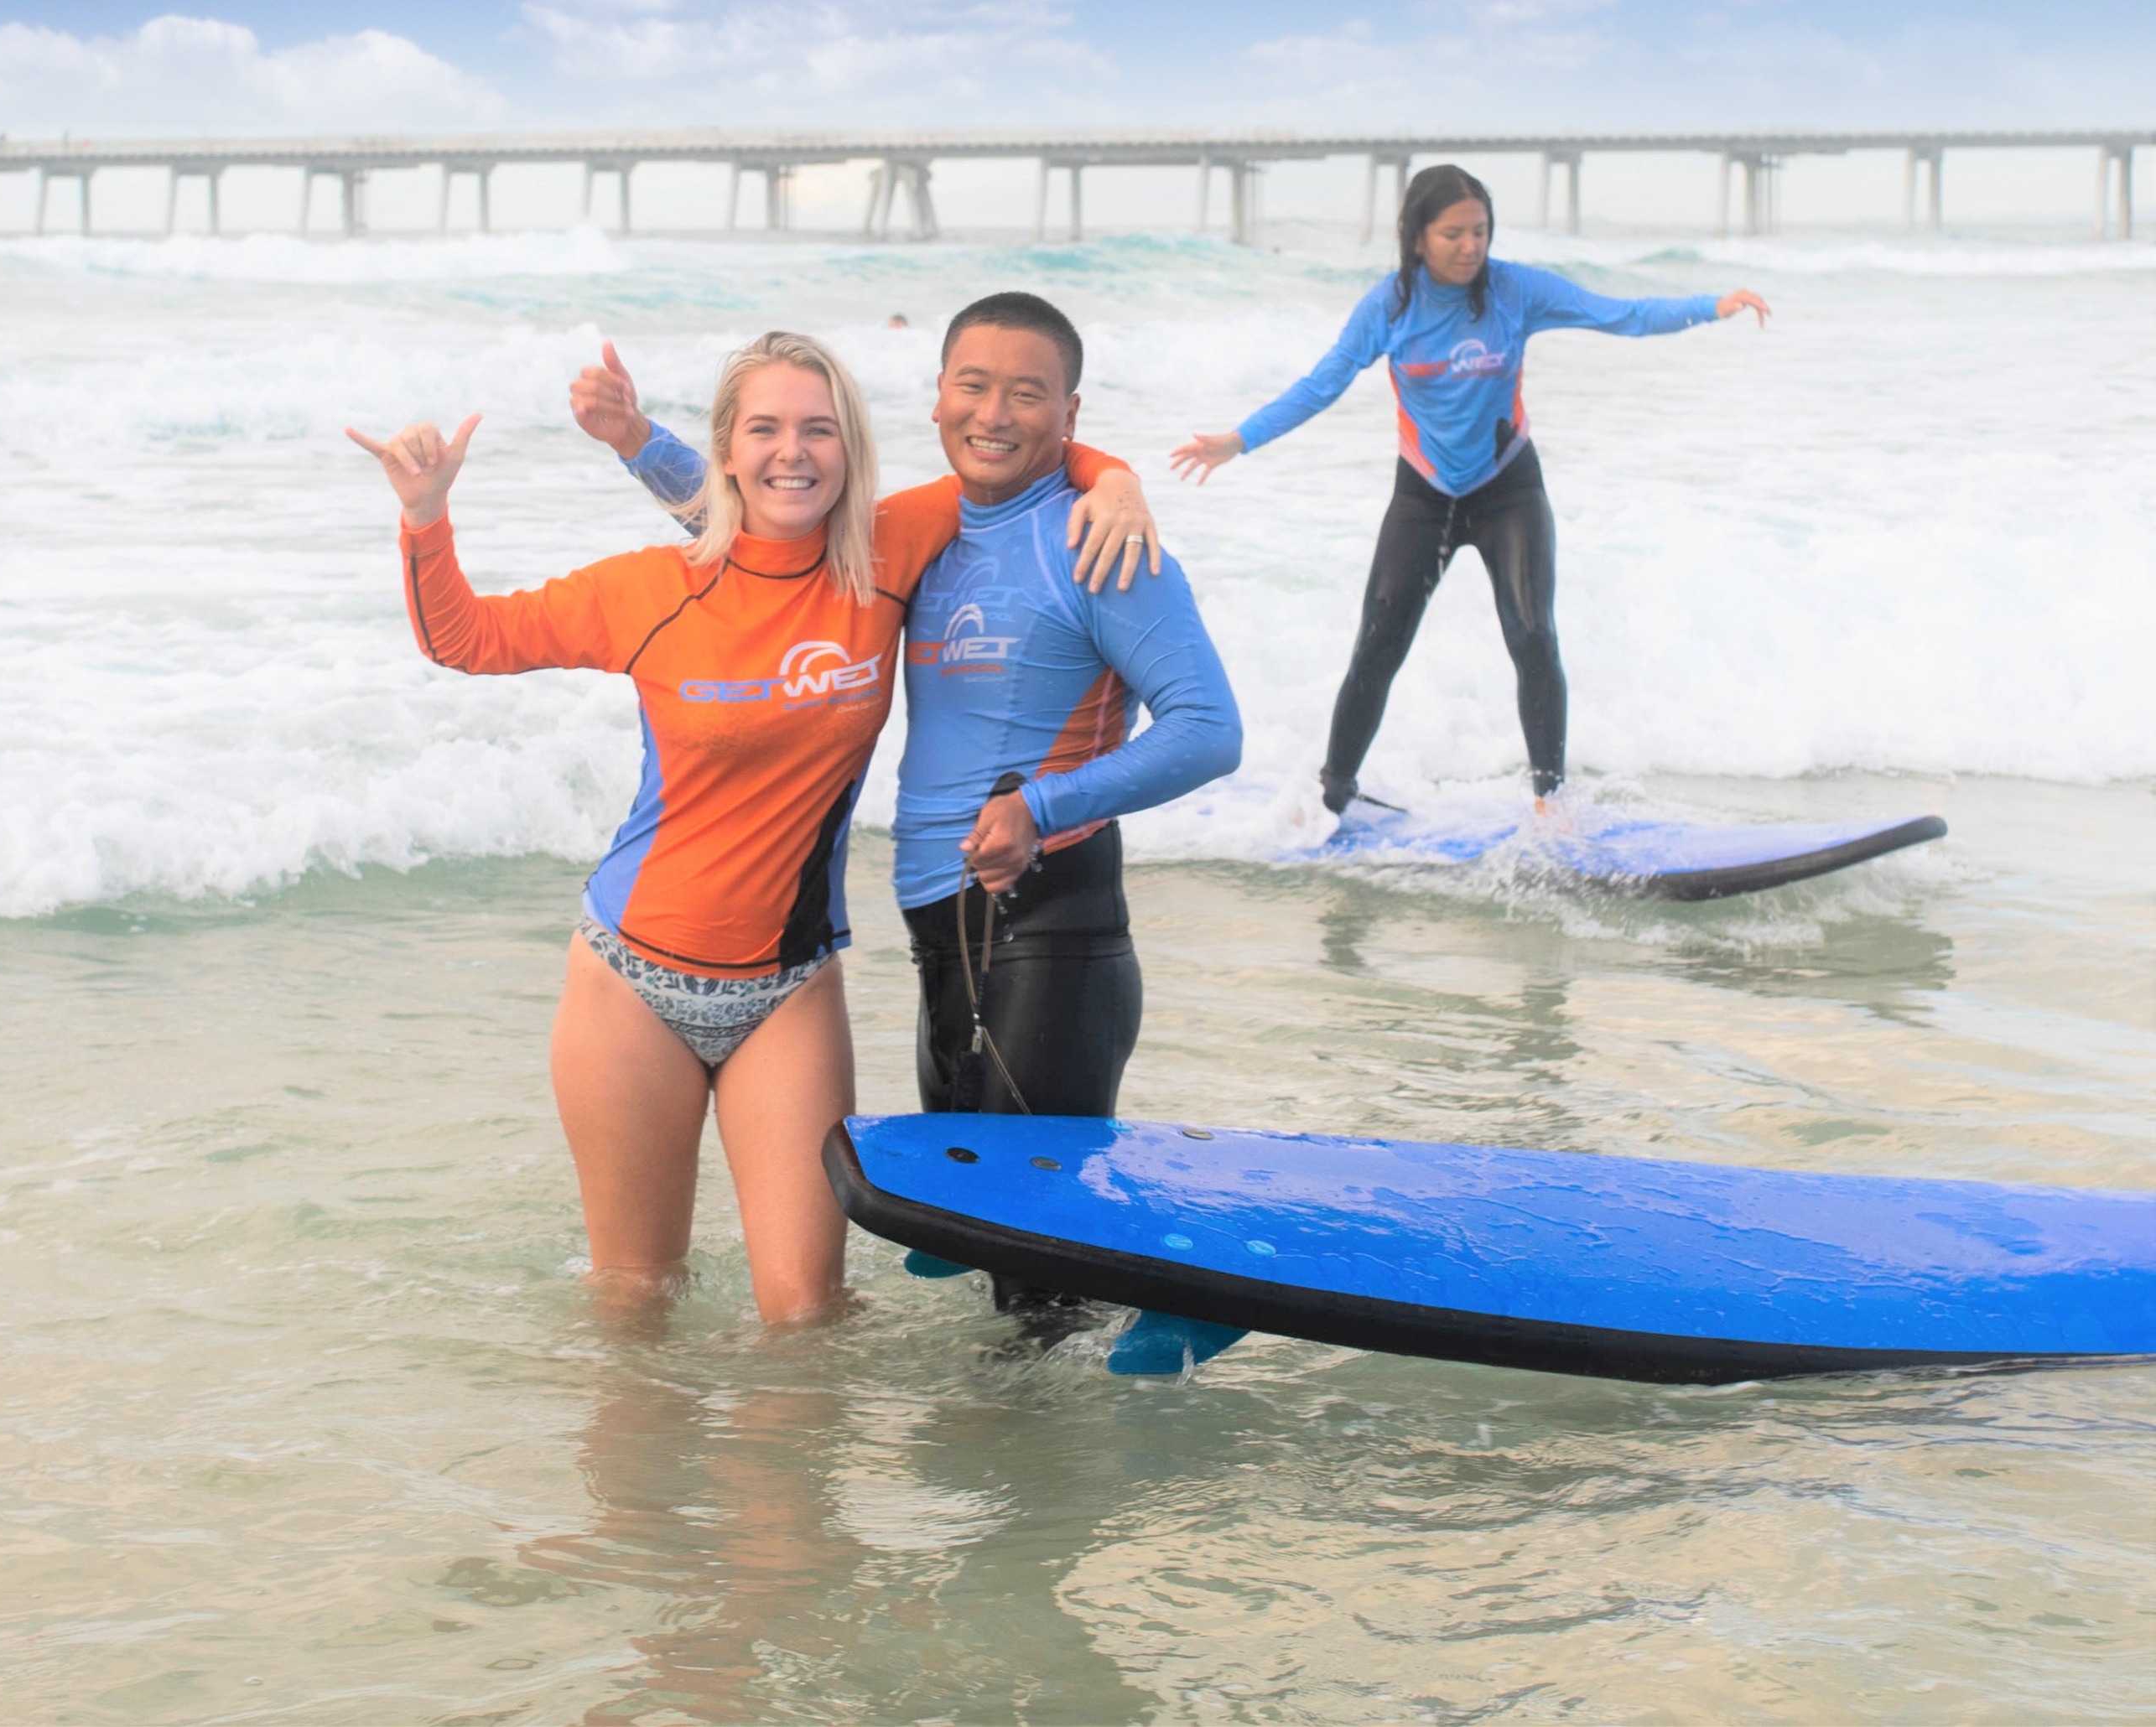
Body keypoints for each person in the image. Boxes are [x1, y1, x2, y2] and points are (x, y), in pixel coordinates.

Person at [350, 332, 1151, 1327]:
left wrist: (1115, 482)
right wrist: (424, 516)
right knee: (636, 1302)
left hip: (790, 989)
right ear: (726, 449)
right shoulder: (650, 588)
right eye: (765, 429)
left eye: (820, 429)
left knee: (809, 1314)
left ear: (850, 450)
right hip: (629, 984)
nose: (794, 451)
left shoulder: (889, 554)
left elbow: (1013, 446)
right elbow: (463, 639)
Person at [575, 294, 1243, 1342]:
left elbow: (1209, 729)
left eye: (1029, 394)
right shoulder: (909, 538)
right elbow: (753, 512)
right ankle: (1008, 1474)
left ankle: (1115, 1414)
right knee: (987, 1240)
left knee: (1039, 1278)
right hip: (949, 940)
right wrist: (630, 440)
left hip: (1052, 923)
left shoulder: (1101, 541)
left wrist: (1042, 804)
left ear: (1069, 411)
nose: (996, 412)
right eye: (973, 385)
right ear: (934, 398)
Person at [1173, 163, 1768, 812]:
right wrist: (1240, 439)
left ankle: (1551, 801)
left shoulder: (1517, 291)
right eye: (1453, 233)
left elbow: (1620, 314)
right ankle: (1334, 794)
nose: (1470, 246)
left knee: (1533, 633)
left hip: (1507, 488)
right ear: (1418, 236)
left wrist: (1712, 307)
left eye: (1480, 231)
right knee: (1378, 644)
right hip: (1424, 495)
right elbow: (1324, 383)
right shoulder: (1390, 307)